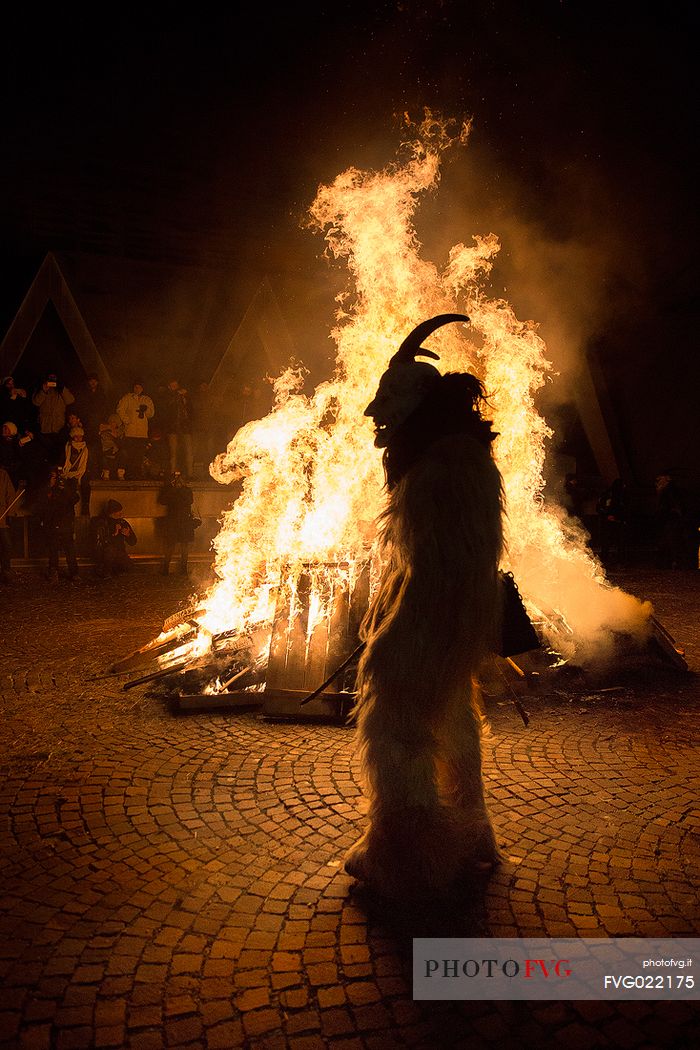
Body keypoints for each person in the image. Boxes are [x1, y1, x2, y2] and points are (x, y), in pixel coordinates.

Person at [344, 314, 504, 900]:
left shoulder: (438, 473)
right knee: (453, 712)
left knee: (397, 720)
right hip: (458, 617)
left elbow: (439, 569)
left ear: (414, 407)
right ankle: (472, 829)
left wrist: (396, 630)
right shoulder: (461, 462)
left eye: (387, 402)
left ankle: (410, 856)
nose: (373, 415)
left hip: (433, 617)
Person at [37, 467, 80, 583]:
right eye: (53, 477)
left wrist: (65, 489)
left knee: (69, 549)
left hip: (65, 524)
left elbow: (75, 498)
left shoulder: (66, 489)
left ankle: (74, 572)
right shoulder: (46, 491)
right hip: (52, 525)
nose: (55, 480)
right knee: (53, 549)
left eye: (56, 477)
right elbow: (41, 505)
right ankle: (53, 572)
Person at [158, 471, 197, 575]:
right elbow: (162, 501)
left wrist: (178, 490)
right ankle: (166, 568)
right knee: (170, 545)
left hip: (184, 521)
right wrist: (173, 489)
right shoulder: (170, 490)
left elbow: (189, 501)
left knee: (184, 546)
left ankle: (183, 568)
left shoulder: (187, 491)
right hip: (173, 521)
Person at [32, 373, 75, 464]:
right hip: (45, 426)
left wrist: (62, 388)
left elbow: (70, 400)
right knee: (46, 451)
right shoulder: (41, 389)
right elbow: (36, 402)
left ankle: (56, 471)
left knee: (58, 451)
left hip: (59, 426)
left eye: (54, 379)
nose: (52, 381)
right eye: (50, 379)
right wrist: (43, 391)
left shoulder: (62, 389)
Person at [116, 380, 155, 479]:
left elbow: (151, 414)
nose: (137, 389)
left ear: (142, 389)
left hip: (142, 433)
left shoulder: (147, 400)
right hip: (130, 432)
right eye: (135, 387)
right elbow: (120, 409)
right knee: (130, 453)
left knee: (139, 454)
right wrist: (126, 420)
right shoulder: (127, 398)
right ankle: (129, 473)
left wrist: (145, 410)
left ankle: (137, 473)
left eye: (139, 387)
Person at [93, 499, 137, 576]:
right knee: (110, 552)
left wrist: (128, 535)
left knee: (129, 566)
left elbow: (133, 542)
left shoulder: (122, 523)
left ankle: (116, 569)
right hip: (106, 553)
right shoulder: (102, 523)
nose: (121, 513)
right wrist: (115, 533)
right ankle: (106, 571)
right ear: (112, 513)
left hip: (120, 552)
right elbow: (100, 540)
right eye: (118, 511)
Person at [160, 378, 193, 479]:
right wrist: (177, 395)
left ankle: (190, 474)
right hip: (173, 428)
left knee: (188, 451)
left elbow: (191, 410)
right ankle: (172, 473)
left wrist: (185, 396)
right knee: (173, 451)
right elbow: (167, 407)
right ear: (169, 387)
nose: (174, 386)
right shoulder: (167, 396)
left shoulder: (186, 396)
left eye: (176, 385)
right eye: (172, 385)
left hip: (185, 427)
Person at [596, 477, 627, 566]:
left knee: (615, 542)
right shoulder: (609, 495)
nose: (625, 486)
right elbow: (600, 507)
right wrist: (608, 516)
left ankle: (616, 560)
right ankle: (608, 560)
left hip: (615, 521)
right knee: (610, 542)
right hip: (611, 523)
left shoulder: (616, 494)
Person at [62, 426, 91, 515]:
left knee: (85, 487)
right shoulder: (68, 447)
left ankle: (85, 509)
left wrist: (78, 473)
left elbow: (84, 465)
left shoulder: (85, 449)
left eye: (80, 436)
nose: (78, 439)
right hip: (69, 473)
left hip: (81, 473)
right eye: (76, 436)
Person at [0, 465, 18, 583]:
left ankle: (6, 572)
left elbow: (10, 495)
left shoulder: (2, 474)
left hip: (2, 518)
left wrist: (10, 514)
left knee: (6, 545)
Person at [98, 414, 126, 480]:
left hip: (117, 453)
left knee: (124, 453)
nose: (112, 424)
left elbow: (122, 445)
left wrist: (116, 437)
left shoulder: (121, 433)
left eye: (114, 422)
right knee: (103, 457)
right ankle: (106, 473)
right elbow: (103, 443)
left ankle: (120, 474)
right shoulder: (104, 432)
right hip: (106, 451)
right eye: (111, 422)